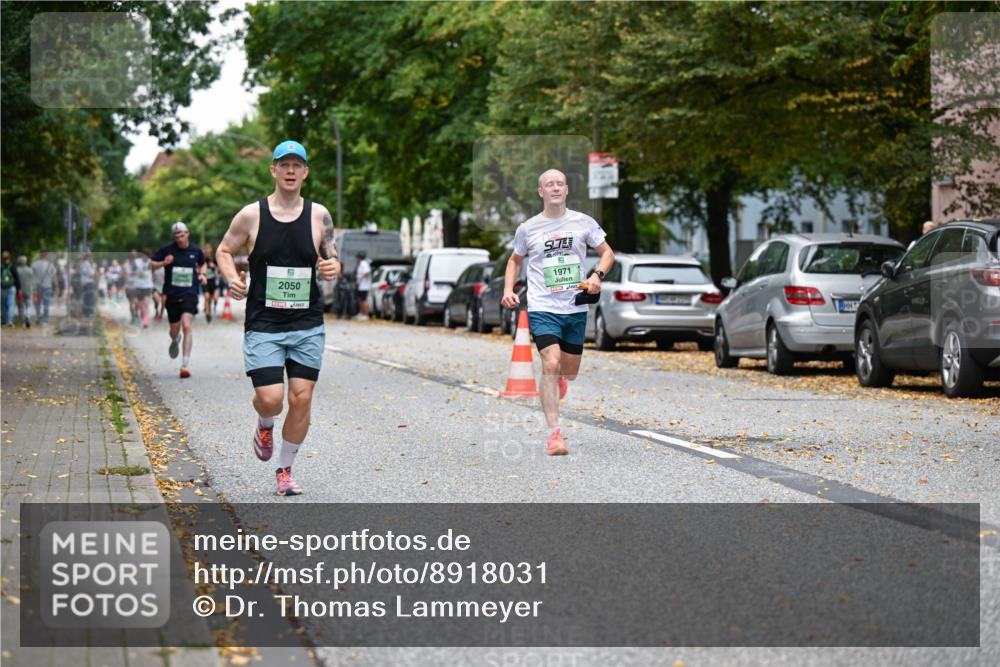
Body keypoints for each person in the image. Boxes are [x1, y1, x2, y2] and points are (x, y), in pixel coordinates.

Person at [216, 140, 340, 496]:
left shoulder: (320, 215)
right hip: (264, 324)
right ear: (273, 170)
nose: (290, 170)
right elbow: (224, 250)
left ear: (305, 172)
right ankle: (264, 421)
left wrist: (333, 266)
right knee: (272, 399)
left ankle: (285, 470)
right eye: (284, 164)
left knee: (301, 398)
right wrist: (232, 278)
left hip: (307, 323)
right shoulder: (251, 215)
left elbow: (332, 256)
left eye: (296, 165)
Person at [501, 168, 614, 456]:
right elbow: (514, 260)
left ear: (566, 190)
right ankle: (554, 434)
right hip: (542, 306)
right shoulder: (528, 228)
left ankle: (561, 379)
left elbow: (607, 253)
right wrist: (508, 289)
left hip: (574, 305)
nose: (555, 187)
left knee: (569, 371)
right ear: (541, 192)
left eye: (559, 183)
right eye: (549, 184)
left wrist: (597, 275)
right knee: (550, 364)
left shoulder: (583, 222)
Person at [150, 222, 207, 378]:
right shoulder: (167, 250)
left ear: (187, 233)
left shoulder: (196, 251)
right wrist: (163, 263)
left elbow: (203, 264)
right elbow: (151, 265)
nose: (180, 239)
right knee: (174, 331)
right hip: (172, 294)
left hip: (190, 293)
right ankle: (175, 340)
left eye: (182, 236)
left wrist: (202, 275)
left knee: (187, 325)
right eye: (177, 237)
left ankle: (184, 364)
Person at [32, 251, 57, 325]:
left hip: (37, 287)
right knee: (46, 304)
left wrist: (32, 286)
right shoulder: (50, 265)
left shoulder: (34, 264)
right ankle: (45, 320)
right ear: (46, 256)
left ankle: (38, 317)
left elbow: (31, 276)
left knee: (37, 303)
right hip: (47, 287)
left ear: (40, 255)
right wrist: (57, 287)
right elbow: (54, 276)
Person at [202, 242, 220, 322]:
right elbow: (198, 267)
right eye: (206, 249)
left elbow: (219, 269)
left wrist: (214, 266)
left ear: (211, 250)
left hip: (213, 281)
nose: (208, 250)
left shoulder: (214, 259)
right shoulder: (202, 259)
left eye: (209, 249)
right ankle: (207, 314)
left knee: (212, 298)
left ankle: (209, 309)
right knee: (207, 297)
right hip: (205, 281)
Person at [2, 250, 20, 327]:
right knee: (11, 305)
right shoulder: (12, 266)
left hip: (2, 288)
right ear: (9, 257)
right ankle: (10, 321)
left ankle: (3, 321)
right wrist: (19, 289)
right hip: (11, 288)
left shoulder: (1, 266)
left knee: (2, 305)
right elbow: (17, 278)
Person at [15, 256, 34, 328]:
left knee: (21, 307)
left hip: (19, 291)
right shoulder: (30, 270)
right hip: (28, 290)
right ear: (26, 262)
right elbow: (33, 281)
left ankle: (22, 322)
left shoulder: (17, 270)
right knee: (29, 305)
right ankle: (27, 316)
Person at [354, 251, 372, 320]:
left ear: (359, 257)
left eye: (357, 257)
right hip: (360, 286)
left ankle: (366, 315)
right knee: (360, 300)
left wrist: (361, 277)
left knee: (363, 300)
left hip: (364, 286)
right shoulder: (361, 263)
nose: (356, 259)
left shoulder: (364, 263)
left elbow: (367, 272)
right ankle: (361, 313)